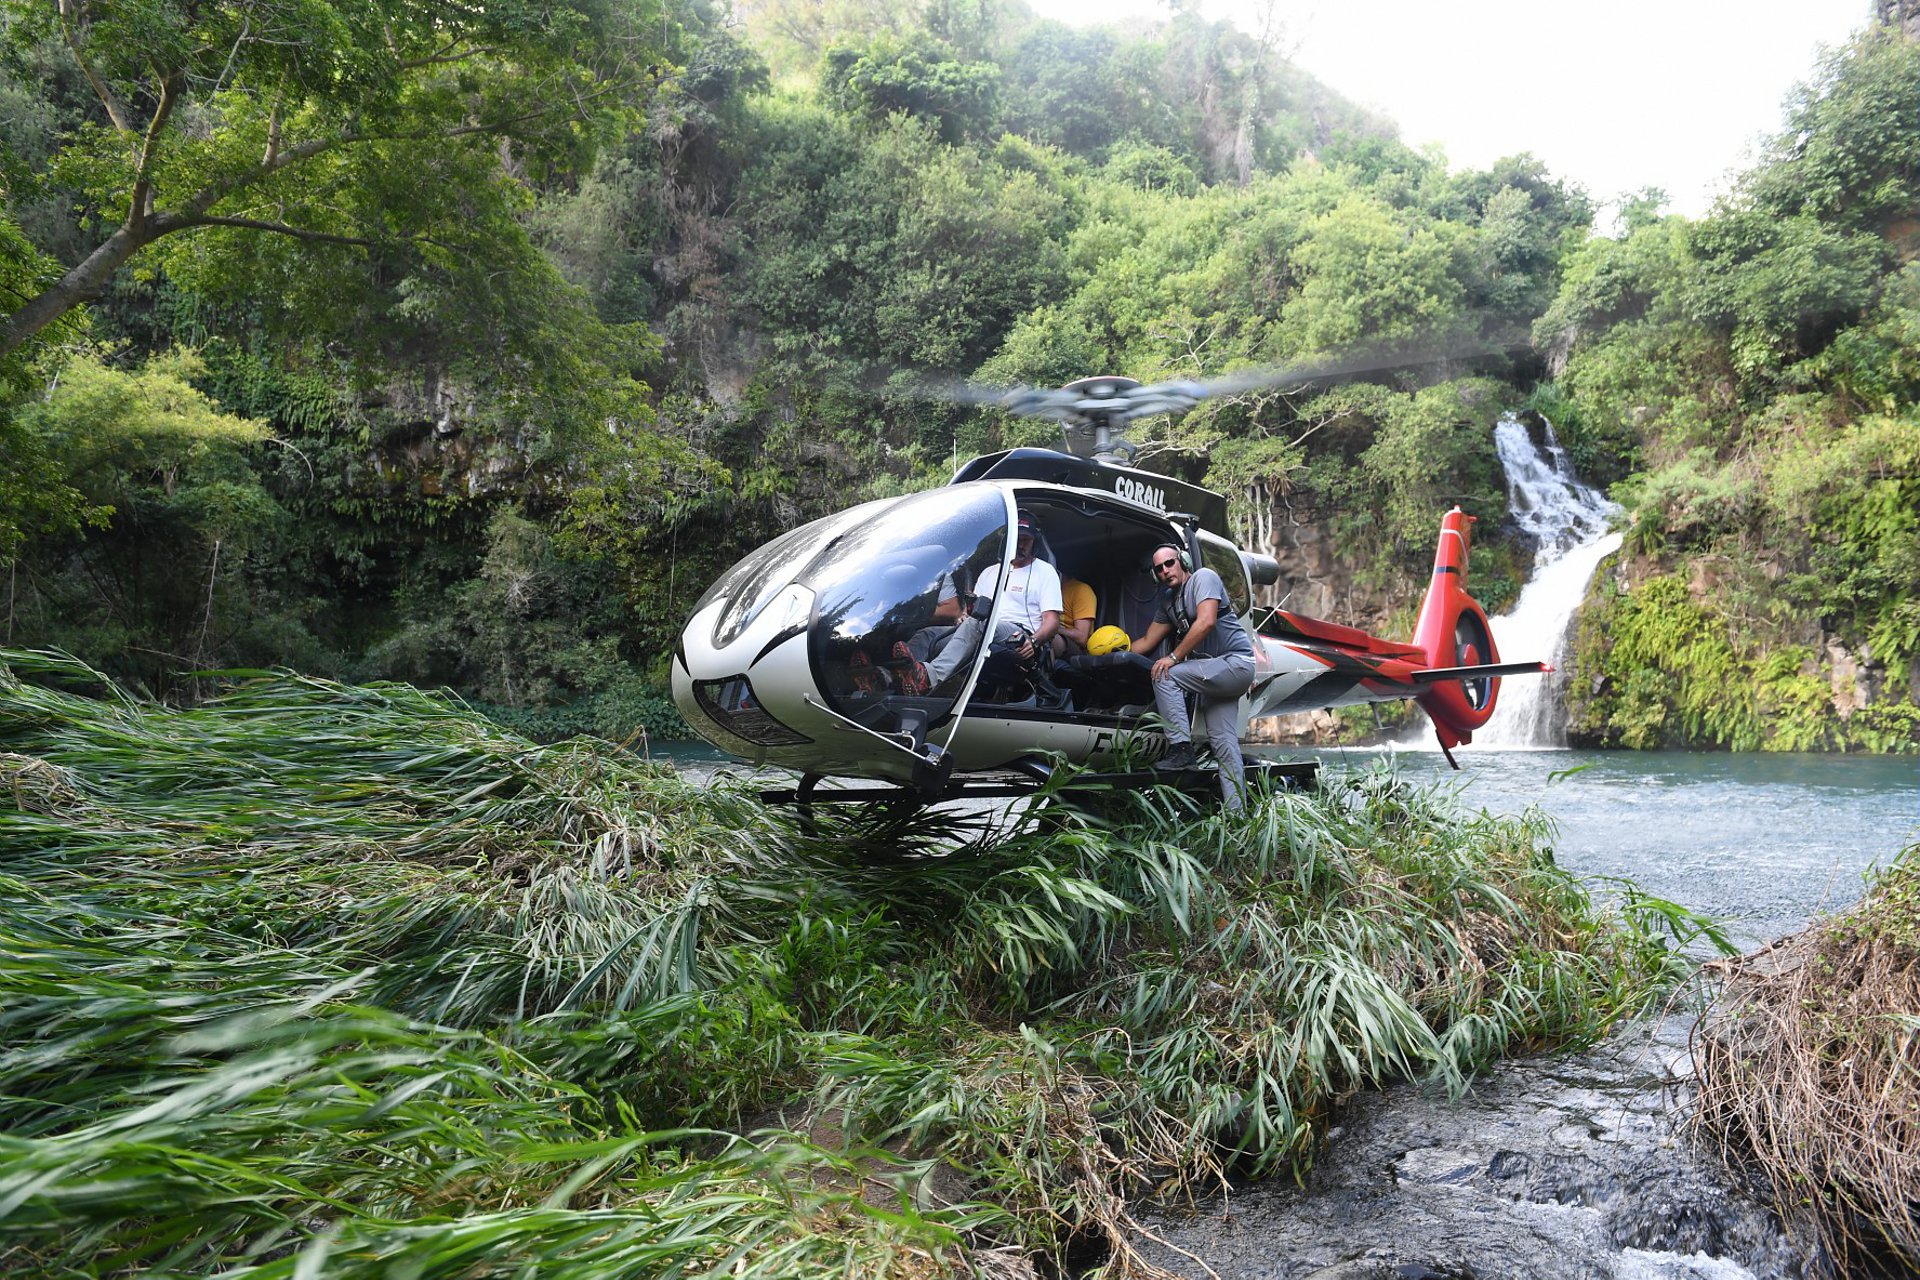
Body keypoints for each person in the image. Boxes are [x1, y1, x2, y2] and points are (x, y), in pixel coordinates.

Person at [1129, 540, 1257, 810]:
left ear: (1183, 561)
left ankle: (1181, 749)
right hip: (1214, 675)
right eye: (1159, 568)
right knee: (1224, 744)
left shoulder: (1203, 578)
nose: (1165, 570)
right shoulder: (1167, 601)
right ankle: (1238, 816)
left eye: (1169, 563)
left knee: (1165, 674)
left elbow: (1206, 621)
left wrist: (1173, 657)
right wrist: (1111, 651)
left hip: (1234, 662)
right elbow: (1148, 641)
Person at [900, 510, 1061, 694]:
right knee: (927, 635)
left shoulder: (1045, 571)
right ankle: (896, 678)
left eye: (1025, 540)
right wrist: (963, 618)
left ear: (1035, 542)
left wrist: (1033, 641)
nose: (1019, 544)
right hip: (983, 627)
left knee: (979, 623)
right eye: (1016, 538)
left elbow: (1052, 621)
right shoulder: (989, 572)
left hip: (1018, 633)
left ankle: (930, 677)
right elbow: (975, 612)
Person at [1053, 575, 1097, 657]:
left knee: (1046, 636)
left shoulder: (1080, 590)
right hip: (1038, 631)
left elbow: (1081, 637)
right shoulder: (1040, 591)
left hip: (1074, 645)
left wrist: (1052, 627)